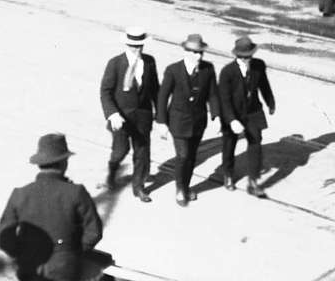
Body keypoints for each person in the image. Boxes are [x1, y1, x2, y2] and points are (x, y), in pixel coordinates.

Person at [0, 133, 103, 281]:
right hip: (65, 271)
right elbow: (94, 232)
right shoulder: (76, 192)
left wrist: (22, 254)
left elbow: (4, 237)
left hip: (27, 271)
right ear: (63, 163)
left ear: (40, 164)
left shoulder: (20, 194)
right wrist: (72, 252)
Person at [156, 33, 220, 207]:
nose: (198, 56)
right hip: (177, 122)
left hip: (198, 122)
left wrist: (216, 115)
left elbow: (213, 94)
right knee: (183, 156)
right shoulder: (173, 70)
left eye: (200, 53)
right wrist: (161, 122)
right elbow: (162, 97)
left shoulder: (208, 69)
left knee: (191, 157)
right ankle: (180, 188)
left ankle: (185, 185)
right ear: (185, 51)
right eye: (194, 53)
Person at [99, 26, 160, 202]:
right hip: (121, 117)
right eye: (134, 46)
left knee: (142, 153)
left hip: (143, 116)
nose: (137, 49)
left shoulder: (149, 62)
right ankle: (112, 172)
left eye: (140, 45)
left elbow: (155, 89)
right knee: (120, 151)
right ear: (127, 44)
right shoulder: (115, 63)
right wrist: (113, 114)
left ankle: (139, 187)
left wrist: (161, 115)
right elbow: (105, 92)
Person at [217, 36, 276, 198]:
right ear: (236, 56)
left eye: (248, 56)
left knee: (256, 142)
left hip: (252, 111)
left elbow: (264, 84)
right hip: (232, 113)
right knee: (229, 144)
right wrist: (232, 120)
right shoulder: (227, 72)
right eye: (242, 57)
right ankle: (228, 174)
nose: (245, 60)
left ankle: (253, 181)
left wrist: (270, 102)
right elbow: (224, 99)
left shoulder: (258, 66)